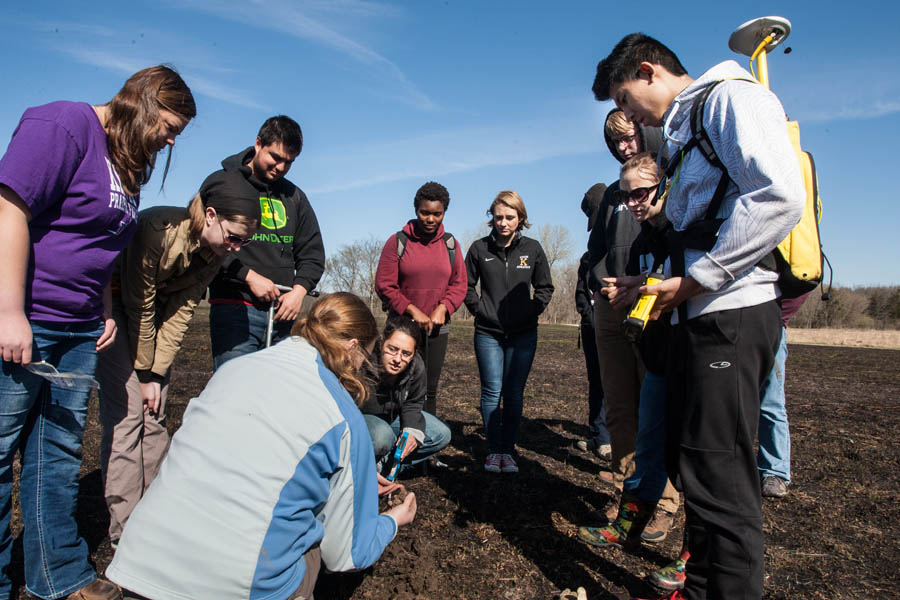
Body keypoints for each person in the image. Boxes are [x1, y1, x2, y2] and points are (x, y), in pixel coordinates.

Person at [593, 33, 804, 600]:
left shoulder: (733, 100)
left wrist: (694, 281)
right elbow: (702, 225)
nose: (628, 116)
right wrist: (652, 281)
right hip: (698, 319)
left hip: (731, 319)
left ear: (647, 71)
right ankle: (701, 586)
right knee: (699, 470)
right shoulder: (689, 128)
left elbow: (780, 197)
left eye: (625, 100)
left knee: (722, 478)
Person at [0, 65, 195, 600]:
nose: (171, 139)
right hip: (28, 317)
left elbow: (100, 244)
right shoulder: (63, 126)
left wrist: (104, 305)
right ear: (144, 105)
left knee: (57, 453)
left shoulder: (125, 162)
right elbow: (8, 208)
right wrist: (8, 310)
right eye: (170, 125)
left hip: (81, 326)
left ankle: (57, 575)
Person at [106, 293, 417, 600]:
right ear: (352, 348)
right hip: (231, 586)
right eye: (366, 355)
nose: (364, 365)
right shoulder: (342, 415)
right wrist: (391, 521)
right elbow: (346, 556)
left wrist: (351, 484)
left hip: (140, 563)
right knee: (313, 535)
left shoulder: (233, 370)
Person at [97, 171, 261, 548]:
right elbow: (140, 302)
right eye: (234, 237)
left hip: (150, 320)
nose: (237, 247)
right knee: (127, 420)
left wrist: (156, 371)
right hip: (116, 310)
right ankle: (126, 533)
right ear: (211, 215)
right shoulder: (158, 229)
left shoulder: (216, 253)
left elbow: (181, 309)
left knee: (154, 419)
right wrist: (144, 372)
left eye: (245, 241)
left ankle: (154, 517)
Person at [587, 109, 680, 537]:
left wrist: (646, 288)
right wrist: (601, 283)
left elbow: (676, 246)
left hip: (652, 305)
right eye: (615, 144)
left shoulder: (671, 182)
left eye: (629, 137)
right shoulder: (611, 195)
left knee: (654, 404)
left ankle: (664, 501)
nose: (624, 147)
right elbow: (597, 250)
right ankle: (628, 491)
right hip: (611, 304)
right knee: (620, 403)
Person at [207, 115, 325, 370]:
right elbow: (204, 241)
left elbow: (313, 254)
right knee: (235, 388)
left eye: (289, 162)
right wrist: (248, 276)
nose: (281, 167)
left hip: (282, 315)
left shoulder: (294, 197)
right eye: (276, 157)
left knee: (272, 395)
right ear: (258, 143)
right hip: (235, 309)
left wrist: (299, 292)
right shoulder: (224, 183)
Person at [464, 190, 554, 474]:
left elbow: (545, 288)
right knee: (492, 392)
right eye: (498, 217)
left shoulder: (533, 249)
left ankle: (509, 451)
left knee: (514, 393)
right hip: (488, 333)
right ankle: (493, 451)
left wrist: (530, 311)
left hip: (523, 334)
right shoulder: (479, 249)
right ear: (491, 218)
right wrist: (480, 310)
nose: (503, 222)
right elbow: (465, 286)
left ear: (520, 218)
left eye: (510, 217)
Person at [375, 181, 467, 421]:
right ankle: (389, 440)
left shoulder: (450, 245)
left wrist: (444, 307)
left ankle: (426, 451)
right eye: (424, 212)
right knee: (393, 383)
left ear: (444, 212)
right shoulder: (398, 242)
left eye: (437, 214)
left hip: (437, 330)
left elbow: (459, 284)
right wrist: (412, 310)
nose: (430, 219)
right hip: (402, 329)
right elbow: (385, 284)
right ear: (416, 210)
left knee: (429, 390)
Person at [361, 315, 452, 472]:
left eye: (406, 353)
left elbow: (413, 401)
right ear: (382, 342)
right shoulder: (362, 361)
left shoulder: (416, 366)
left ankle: (383, 466)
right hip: (363, 420)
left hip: (393, 417)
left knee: (441, 434)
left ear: (414, 353)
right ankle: (364, 466)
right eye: (392, 349)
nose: (397, 359)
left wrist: (411, 429)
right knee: (383, 436)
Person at [573, 183, 611, 461]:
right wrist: (589, 316)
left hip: (617, 327)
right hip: (592, 328)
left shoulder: (625, 247)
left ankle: (611, 438)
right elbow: (580, 292)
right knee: (596, 381)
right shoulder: (588, 258)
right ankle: (597, 434)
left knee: (615, 384)